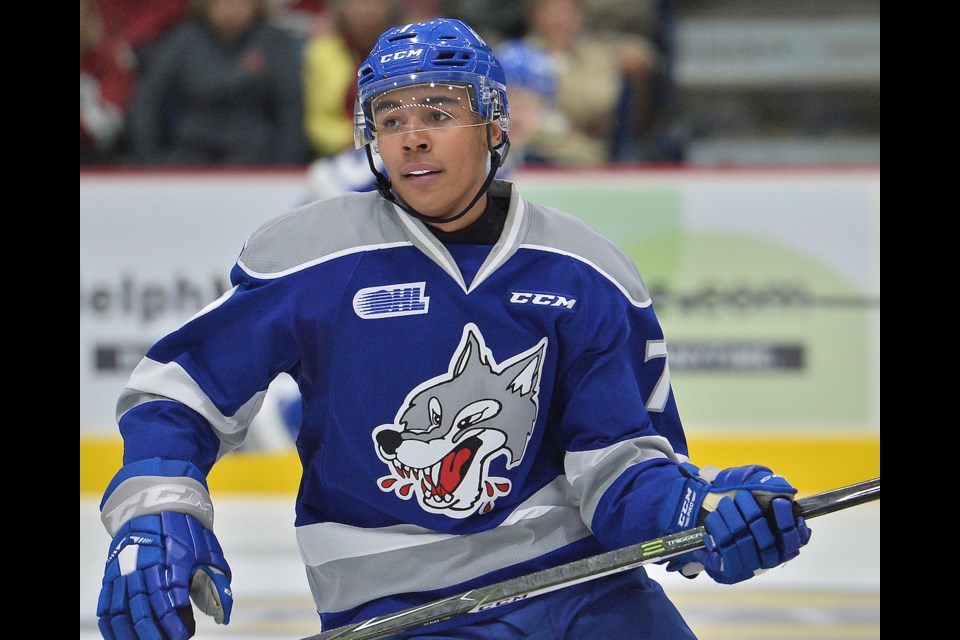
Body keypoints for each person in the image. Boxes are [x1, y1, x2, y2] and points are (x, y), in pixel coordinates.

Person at [95, 17, 812, 640]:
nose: (410, 139)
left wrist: (702, 511)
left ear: (494, 125)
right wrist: (158, 508)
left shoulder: (585, 272)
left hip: (581, 595)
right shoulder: (313, 254)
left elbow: (618, 469)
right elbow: (180, 392)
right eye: (389, 119)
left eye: (436, 113)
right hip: (397, 613)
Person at [125, 0, 309, 166]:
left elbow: (291, 107)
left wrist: (286, 166)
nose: (231, 11)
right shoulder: (183, 40)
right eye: (221, 3)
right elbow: (148, 100)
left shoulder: (273, 41)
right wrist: (148, 160)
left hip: (255, 155)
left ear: (256, 5)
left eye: (240, 3)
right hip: (190, 152)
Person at [301, 0, 399, 159]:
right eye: (359, 2)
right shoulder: (321, 53)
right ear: (341, 8)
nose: (368, 10)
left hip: (398, 147)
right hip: (340, 156)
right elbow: (318, 123)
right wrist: (361, 138)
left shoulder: (408, 50)